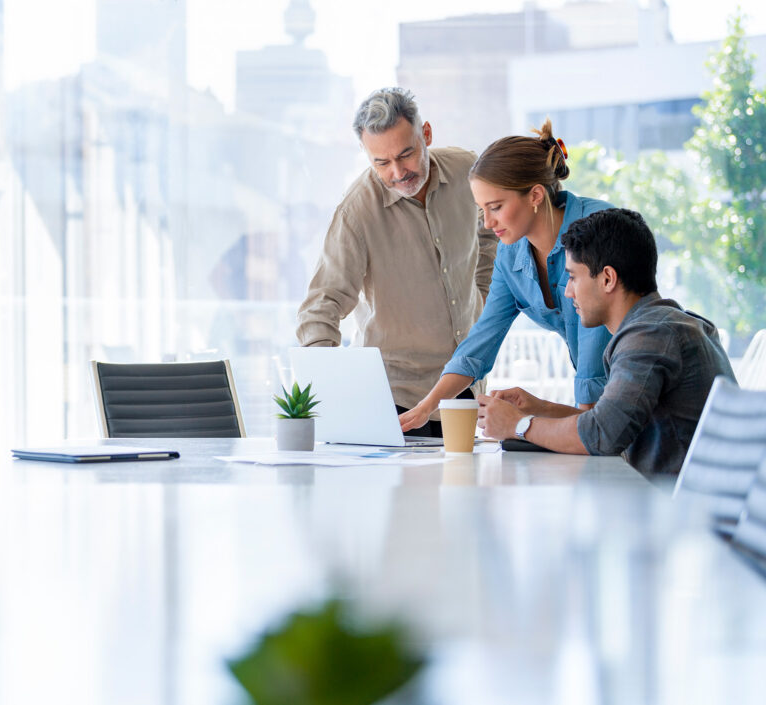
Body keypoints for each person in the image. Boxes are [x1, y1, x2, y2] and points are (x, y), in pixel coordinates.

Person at [297, 87, 498, 436]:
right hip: (395, 401)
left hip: (464, 389)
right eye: (381, 162)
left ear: (427, 135)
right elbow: (320, 308)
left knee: (467, 489)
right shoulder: (356, 212)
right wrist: (333, 397)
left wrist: (480, 294)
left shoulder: (468, 169)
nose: (397, 172)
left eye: (406, 154)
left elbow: (489, 233)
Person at [477, 208, 735, 477]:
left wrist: (519, 425)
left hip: (679, 511)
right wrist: (539, 409)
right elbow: (610, 422)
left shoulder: (650, 335)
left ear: (608, 278)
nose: (567, 292)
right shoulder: (663, 324)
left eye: (573, 277)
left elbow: (602, 435)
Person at [399, 120, 614, 433]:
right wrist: (425, 408)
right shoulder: (511, 255)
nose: (487, 223)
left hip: (639, 388)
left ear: (536, 195)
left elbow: (594, 352)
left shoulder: (596, 228)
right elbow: (480, 342)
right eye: (482, 209)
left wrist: (575, 430)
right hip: (604, 407)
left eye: (496, 207)